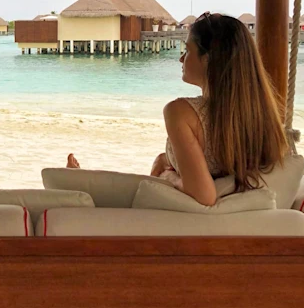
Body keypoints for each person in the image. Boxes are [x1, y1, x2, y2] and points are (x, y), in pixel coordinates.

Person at [66, 12, 288, 206]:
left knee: (120, 189)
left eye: (187, 50)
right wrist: (166, 160)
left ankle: (79, 186)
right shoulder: (260, 118)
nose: (181, 58)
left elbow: (203, 195)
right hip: (232, 223)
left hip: (178, 222)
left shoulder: (181, 113)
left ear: (208, 60)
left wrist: (168, 177)